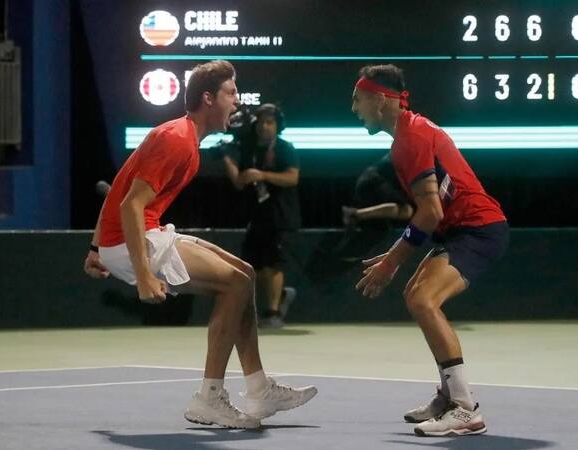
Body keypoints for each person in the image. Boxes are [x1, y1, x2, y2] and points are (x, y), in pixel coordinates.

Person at [83, 60, 316, 429]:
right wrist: (143, 274)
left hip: (133, 236)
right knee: (234, 284)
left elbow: (122, 184)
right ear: (208, 98)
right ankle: (210, 397)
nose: (237, 102)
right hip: (134, 240)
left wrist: (96, 248)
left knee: (245, 273)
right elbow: (130, 203)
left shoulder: (184, 138)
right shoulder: (176, 139)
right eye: (231, 93)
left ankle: (258, 388)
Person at [351, 64, 509, 437]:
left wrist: (391, 262)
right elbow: (428, 210)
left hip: (478, 229)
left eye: (357, 100)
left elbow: (430, 211)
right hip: (456, 230)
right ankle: (447, 395)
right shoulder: (408, 135)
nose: (354, 109)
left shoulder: (413, 138)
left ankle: (464, 408)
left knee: (423, 300)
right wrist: (394, 255)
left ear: (379, 99)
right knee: (416, 297)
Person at [221, 103, 301, 328]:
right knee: (253, 265)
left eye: (270, 123)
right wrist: (228, 159)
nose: (265, 127)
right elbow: (239, 182)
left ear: (277, 125)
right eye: (261, 123)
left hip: (281, 215)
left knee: (273, 265)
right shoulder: (249, 149)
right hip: (257, 216)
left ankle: (274, 312)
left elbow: (292, 178)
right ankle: (280, 295)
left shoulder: (285, 148)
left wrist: (262, 174)